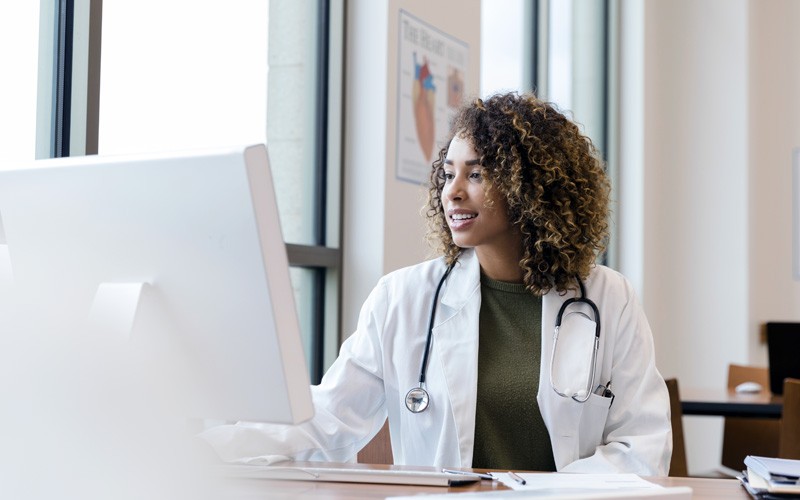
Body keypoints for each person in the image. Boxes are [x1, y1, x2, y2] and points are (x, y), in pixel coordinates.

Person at [201, 92, 672, 475]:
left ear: (530, 189)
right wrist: (210, 445)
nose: (452, 191)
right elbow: (327, 420)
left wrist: (539, 493)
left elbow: (642, 447)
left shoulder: (609, 299)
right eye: (448, 173)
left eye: (477, 174)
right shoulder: (402, 298)